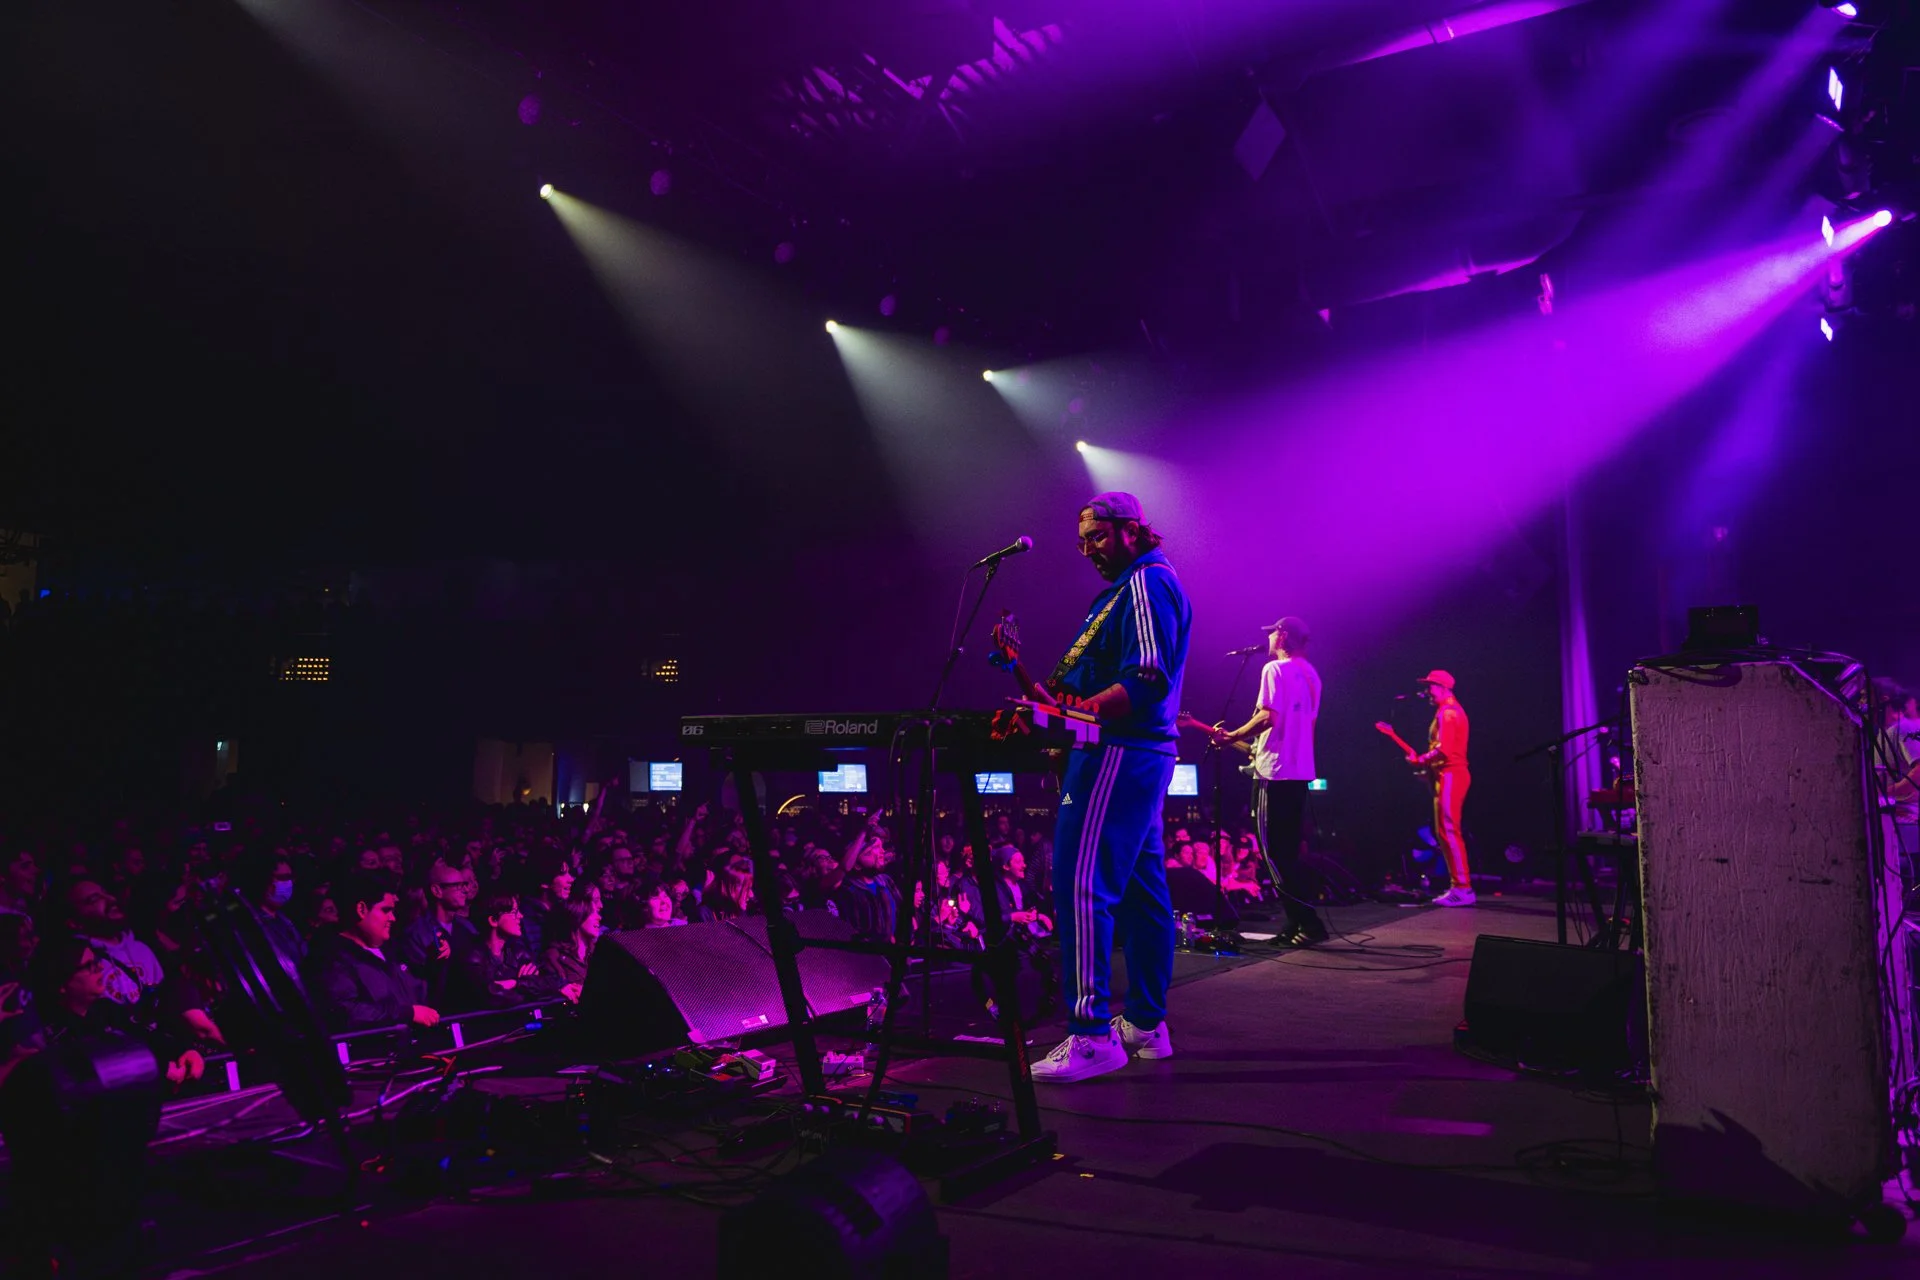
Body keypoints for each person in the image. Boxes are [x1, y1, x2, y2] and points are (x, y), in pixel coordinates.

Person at [1003, 491, 1191, 1082]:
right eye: (1083, 542)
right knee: (1141, 890)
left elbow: (1147, 675)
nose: (1089, 550)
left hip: (1119, 750)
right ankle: (1143, 1025)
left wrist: (1085, 710)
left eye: (1098, 537)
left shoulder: (1145, 583)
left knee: (1082, 882)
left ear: (1133, 530)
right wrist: (1021, 676)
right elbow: (1073, 698)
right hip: (1138, 752)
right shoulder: (1122, 593)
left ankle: (1089, 1036)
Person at [1215, 617, 1326, 946]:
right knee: (1288, 851)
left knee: (1273, 853)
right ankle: (1298, 924)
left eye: (1272, 632)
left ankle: (1306, 923)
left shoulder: (1274, 670)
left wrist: (1232, 735)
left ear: (1284, 636)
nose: (1268, 637)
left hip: (1274, 772)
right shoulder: (1312, 675)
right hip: (1299, 770)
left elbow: (1268, 717)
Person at [305, 872, 439, 1032]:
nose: (393, 918)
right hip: (377, 1053)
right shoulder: (330, 959)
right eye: (385, 910)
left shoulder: (392, 950)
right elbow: (346, 1013)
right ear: (362, 909)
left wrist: (438, 966)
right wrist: (406, 1013)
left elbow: (421, 996)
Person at [1409, 670, 1474, 905]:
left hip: (1452, 774)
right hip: (1448, 774)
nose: (1427, 692)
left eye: (1430, 687)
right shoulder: (1448, 711)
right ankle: (1459, 886)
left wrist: (1422, 760)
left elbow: (1444, 749)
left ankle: (1463, 888)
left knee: (1449, 830)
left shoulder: (1448, 712)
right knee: (1445, 831)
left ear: (1441, 687)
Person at [455, 893, 566, 1009]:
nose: (521, 916)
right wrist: (528, 989)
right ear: (493, 920)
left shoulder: (517, 951)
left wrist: (515, 983)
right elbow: (490, 997)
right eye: (514, 913)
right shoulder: (472, 957)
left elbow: (550, 982)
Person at [393, 859, 479, 1004]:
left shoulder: (467, 927)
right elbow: (418, 985)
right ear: (437, 891)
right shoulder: (416, 934)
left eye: (464, 884)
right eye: (458, 886)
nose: (465, 890)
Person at [542, 892, 601, 992]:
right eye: (593, 913)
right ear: (578, 916)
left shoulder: (599, 952)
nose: (599, 918)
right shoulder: (555, 956)